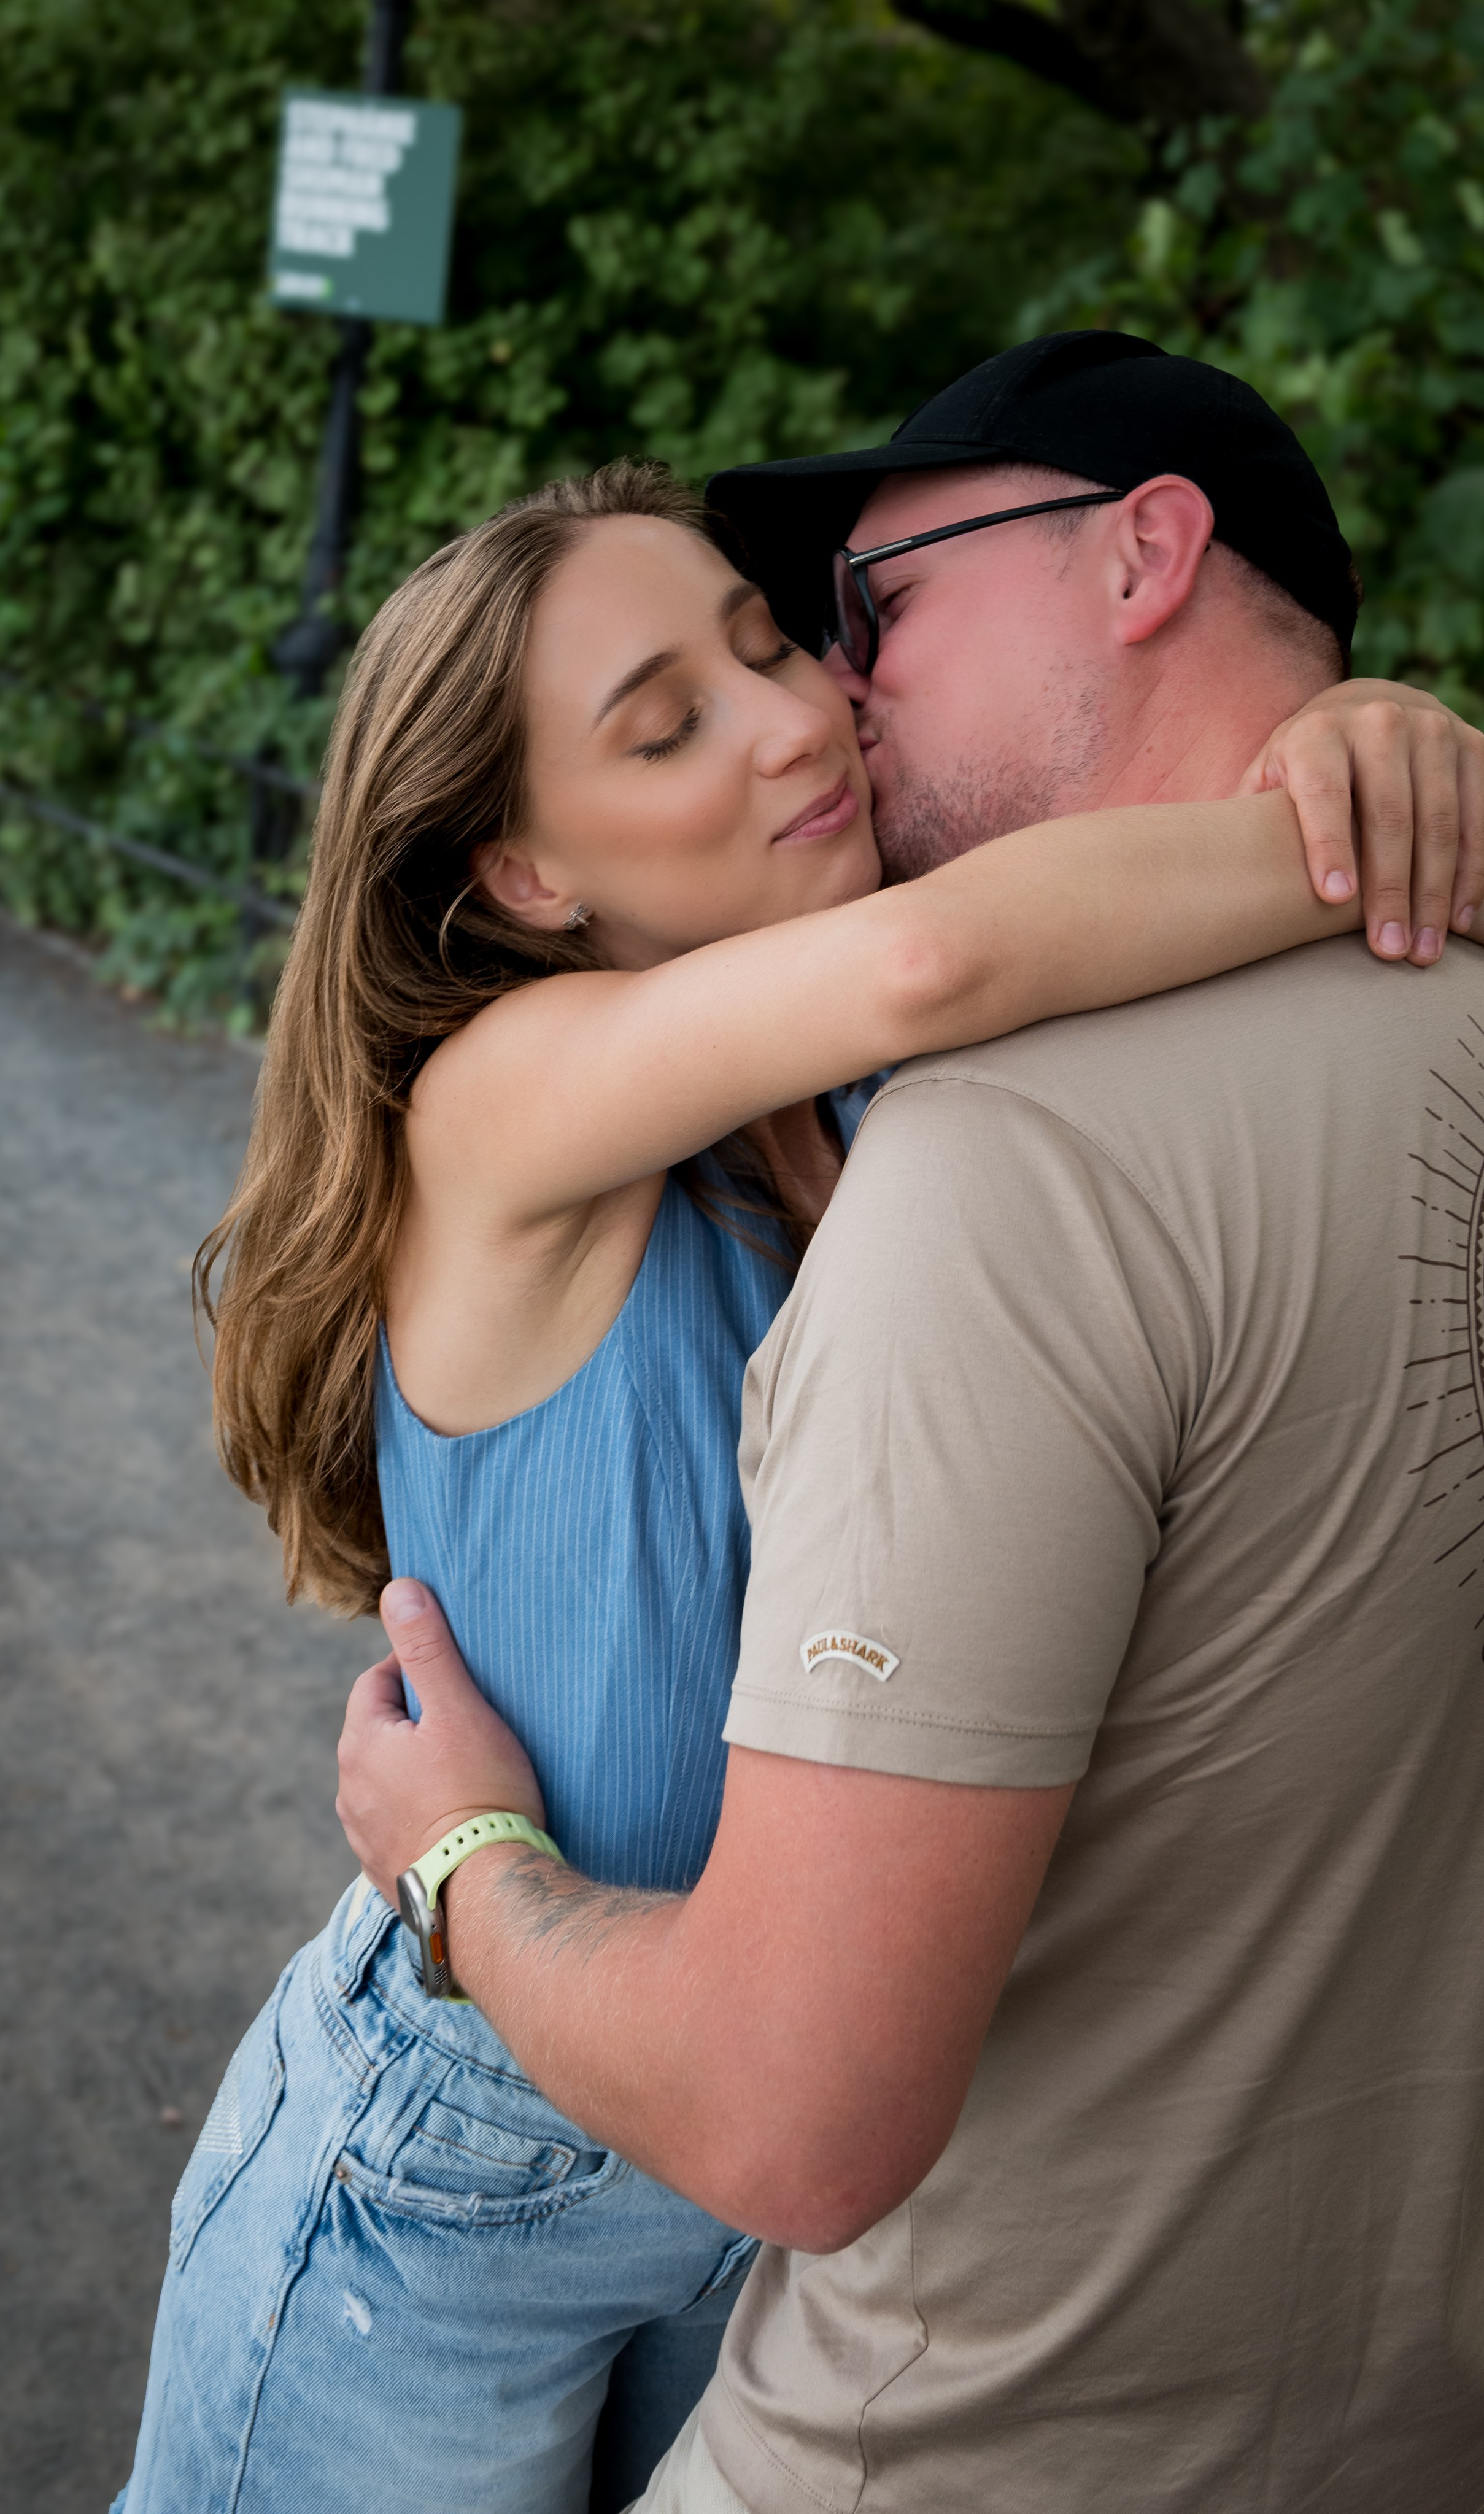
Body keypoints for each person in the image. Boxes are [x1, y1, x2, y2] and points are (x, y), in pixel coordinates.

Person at [333, 334, 1484, 2514]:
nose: (804, 714)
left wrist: (1364, 732)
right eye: (666, 726)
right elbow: (943, 966)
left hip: (727, 2156)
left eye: (792, 641)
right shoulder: (509, 1101)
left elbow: (997, 951)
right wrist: (1378, 842)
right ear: (526, 881)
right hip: (471, 2126)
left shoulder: (876, 1127)